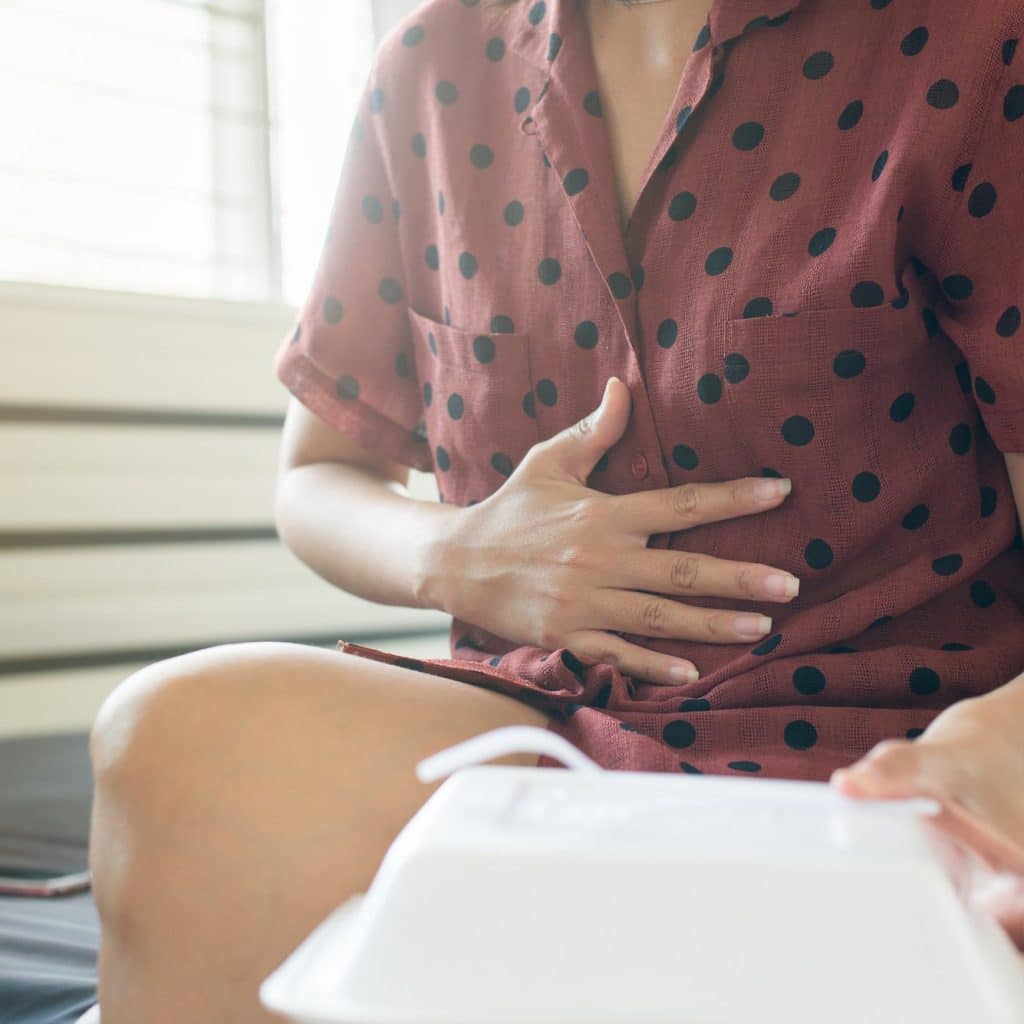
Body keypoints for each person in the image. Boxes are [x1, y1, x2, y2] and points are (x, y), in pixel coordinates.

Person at [88, 0, 1024, 1020]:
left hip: (886, 734)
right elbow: (313, 480)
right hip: (532, 719)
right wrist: (458, 553)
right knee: (170, 740)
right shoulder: (426, 66)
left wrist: (999, 738)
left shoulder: (972, 40)